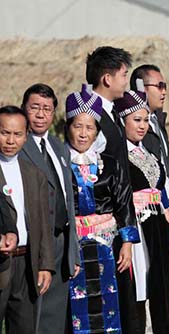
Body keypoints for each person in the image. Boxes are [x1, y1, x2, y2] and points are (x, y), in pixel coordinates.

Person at [65, 85, 141, 333]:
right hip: (73, 246)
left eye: (89, 127)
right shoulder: (60, 164)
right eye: (78, 126)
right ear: (67, 128)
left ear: (97, 131)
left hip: (109, 244)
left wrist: (128, 243)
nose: (83, 134)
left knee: (114, 304)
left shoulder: (109, 164)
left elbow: (123, 201)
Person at [115, 85, 169, 333]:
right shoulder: (118, 155)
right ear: (122, 121)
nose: (142, 126)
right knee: (138, 288)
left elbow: (159, 189)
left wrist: (168, 216)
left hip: (157, 225)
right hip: (136, 227)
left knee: (158, 285)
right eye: (135, 120)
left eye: (144, 120)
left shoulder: (148, 151)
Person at [19, 83, 80, 333]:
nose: (41, 114)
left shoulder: (58, 146)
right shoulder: (17, 147)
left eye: (47, 109)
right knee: (33, 315)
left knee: (56, 316)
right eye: (35, 108)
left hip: (61, 242)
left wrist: (72, 249)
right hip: (35, 244)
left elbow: (68, 200)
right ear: (24, 110)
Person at [0, 105, 55, 333]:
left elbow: (43, 223)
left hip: (26, 262)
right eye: (4, 133)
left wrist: (45, 264)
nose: (10, 140)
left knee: (24, 325)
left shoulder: (35, 174)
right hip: (2, 261)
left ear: (26, 135)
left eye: (17, 134)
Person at [130, 64, 169, 207]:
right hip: (152, 206)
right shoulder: (133, 130)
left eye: (165, 86)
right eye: (159, 86)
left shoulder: (157, 121)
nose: (164, 92)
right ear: (142, 88)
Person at [86, 46, 132, 173]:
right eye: (123, 76)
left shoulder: (114, 112)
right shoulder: (88, 114)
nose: (126, 82)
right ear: (107, 79)